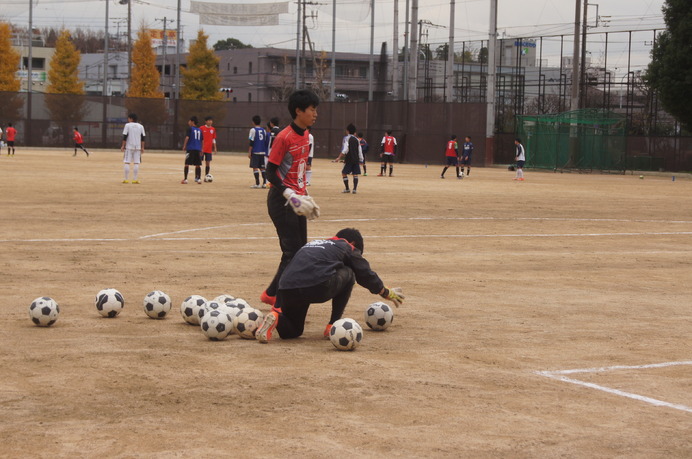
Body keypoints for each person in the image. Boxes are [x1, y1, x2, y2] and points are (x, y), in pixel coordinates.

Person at [255, 228, 405, 343]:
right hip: (316, 286)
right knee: (350, 273)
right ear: (353, 244)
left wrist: (279, 302)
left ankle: (276, 317)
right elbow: (363, 272)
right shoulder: (346, 246)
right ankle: (332, 326)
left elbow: (290, 269)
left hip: (288, 287)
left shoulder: (312, 244)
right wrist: (383, 290)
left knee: (292, 332)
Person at [260, 89, 321, 308]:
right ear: (299, 111)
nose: (315, 114)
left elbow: (299, 170)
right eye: (312, 109)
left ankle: (274, 293)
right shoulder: (284, 137)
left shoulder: (307, 134)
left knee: (301, 250)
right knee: (292, 251)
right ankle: (275, 296)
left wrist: (305, 194)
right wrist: (289, 193)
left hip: (297, 199)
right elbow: (270, 171)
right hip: (282, 200)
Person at [333, 123, 363, 194]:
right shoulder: (357, 139)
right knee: (355, 174)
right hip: (356, 159)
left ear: (347, 131)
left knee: (344, 173)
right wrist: (361, 159)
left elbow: (345, 150)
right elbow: (359, 150)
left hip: (349, 159)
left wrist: (339, 157)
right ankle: (354, 189)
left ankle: (347, 188)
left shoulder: (347, 139)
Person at [120, 113, 145, 184]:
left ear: (131, 118)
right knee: (136, 163)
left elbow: (125, 136)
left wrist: (123, 146)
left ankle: (126, 179)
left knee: (127, 162)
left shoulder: (127, 125)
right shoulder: (141, 126)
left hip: (129, 147)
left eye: (128, 118)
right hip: (137, 147)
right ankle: (135, 179)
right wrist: (142, 147)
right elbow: (143, 138)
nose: (128, 119)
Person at [181, 116, 203, 184]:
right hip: (197, 149)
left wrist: (184, 145)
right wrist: (201, 149)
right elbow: (202, 140)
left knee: (187, 163)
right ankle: (198, 179)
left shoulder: (190, 129)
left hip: (190, 148)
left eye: (189, 121)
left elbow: (187, 138)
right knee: (198, 164)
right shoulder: (200, 130)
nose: (188, 122)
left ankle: (185, 179)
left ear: (192, 122)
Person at [248, 115, 268, 188]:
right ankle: (264, 183)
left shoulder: (253, 130)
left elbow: (251, 141)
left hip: (255, 151)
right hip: (262, 152)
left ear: (253, 122)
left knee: (255, 167)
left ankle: (257, 184)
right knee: (262, 168)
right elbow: (265, 141)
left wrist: (249, 151)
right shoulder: (264, 130)